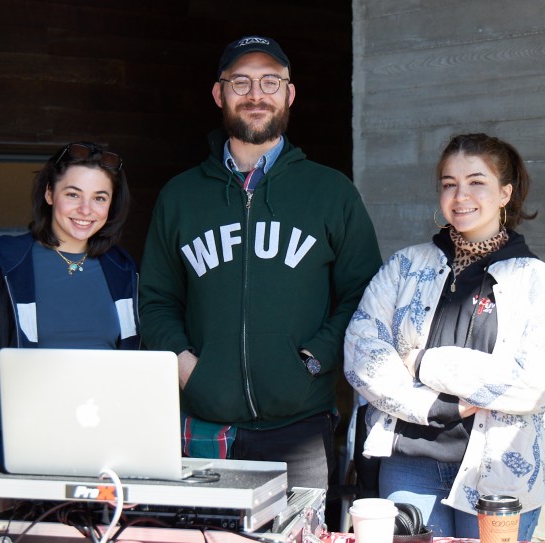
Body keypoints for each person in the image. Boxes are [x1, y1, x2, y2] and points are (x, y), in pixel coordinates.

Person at [138, 35, 382, 490]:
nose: (256, 94)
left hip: (301, 425)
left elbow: (364, 293)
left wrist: (314, 360)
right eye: (241, 82)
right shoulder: (181, 196)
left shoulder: (331, 192)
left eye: (271, 81)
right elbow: (155, 298)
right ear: (219, 94)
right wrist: (187, 366)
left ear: (289, 94)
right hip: (207, 420)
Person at [343, 133, 545, 539]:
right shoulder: (405, 267)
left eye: (476, 182)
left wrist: (425, 363)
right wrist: (434, 407)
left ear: (505, 193)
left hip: (501, 472)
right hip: (409, 462)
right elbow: (362, 351)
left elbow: (541, 381)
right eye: (449, 183)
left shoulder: (536, 281)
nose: (460, 194)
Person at [0, 142, 139, 468]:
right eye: (73, 194)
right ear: (49, 194)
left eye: (99, 198)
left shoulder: (123, 271)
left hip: (107, 450)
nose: (85, 209)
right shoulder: (6, 266)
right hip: (25, 447)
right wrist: (17, 414)